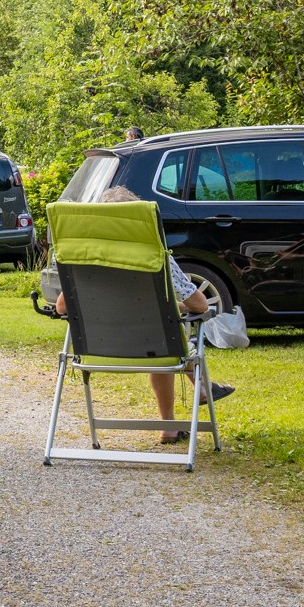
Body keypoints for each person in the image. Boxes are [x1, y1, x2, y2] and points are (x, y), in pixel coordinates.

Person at [44, 186, 233, 441]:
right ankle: (181, 411)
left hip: (97, 352)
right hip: (156, 348)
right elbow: (200, 305)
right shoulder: (155, 258)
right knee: (159, 337)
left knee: (156, 332)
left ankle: (181, 413)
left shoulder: (83, 262)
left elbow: (62, 308)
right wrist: (178, 307)